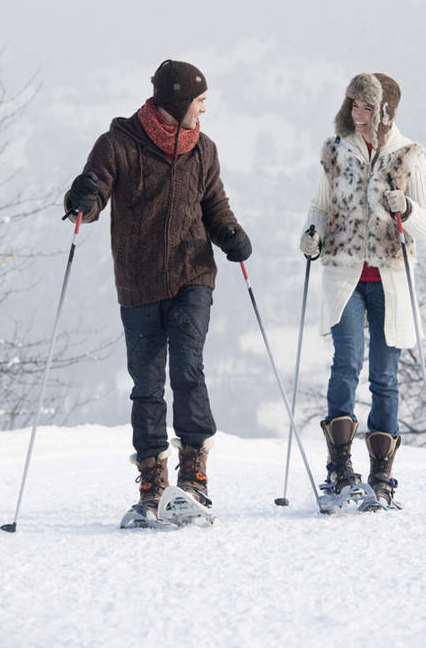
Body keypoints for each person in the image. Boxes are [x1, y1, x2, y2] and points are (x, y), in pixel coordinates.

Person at [65, 59, 251, 522]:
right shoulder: (118, 145)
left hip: (193, 273)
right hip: (139, 280)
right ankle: (152, 483)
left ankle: (193, 477)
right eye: (199, 102)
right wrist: (81, 199)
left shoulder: (203, 149)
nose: (204, 110)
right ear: (176, 102)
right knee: (147, 384)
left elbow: (214, 204)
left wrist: (229, 233)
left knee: (187, 368)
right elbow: (93, 194)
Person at [300, 72, 426, 506]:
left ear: (385, 112)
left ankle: (381, 476)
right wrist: (312, 234)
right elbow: (320, 206)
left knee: (384, 376)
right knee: (345, 364)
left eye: (367, 107)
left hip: (391, 281)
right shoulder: (336, 150)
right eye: (353, 105)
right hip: (344, 274)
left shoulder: (408, 155)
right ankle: (339, 468)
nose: (357, 114)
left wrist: (407, 209)